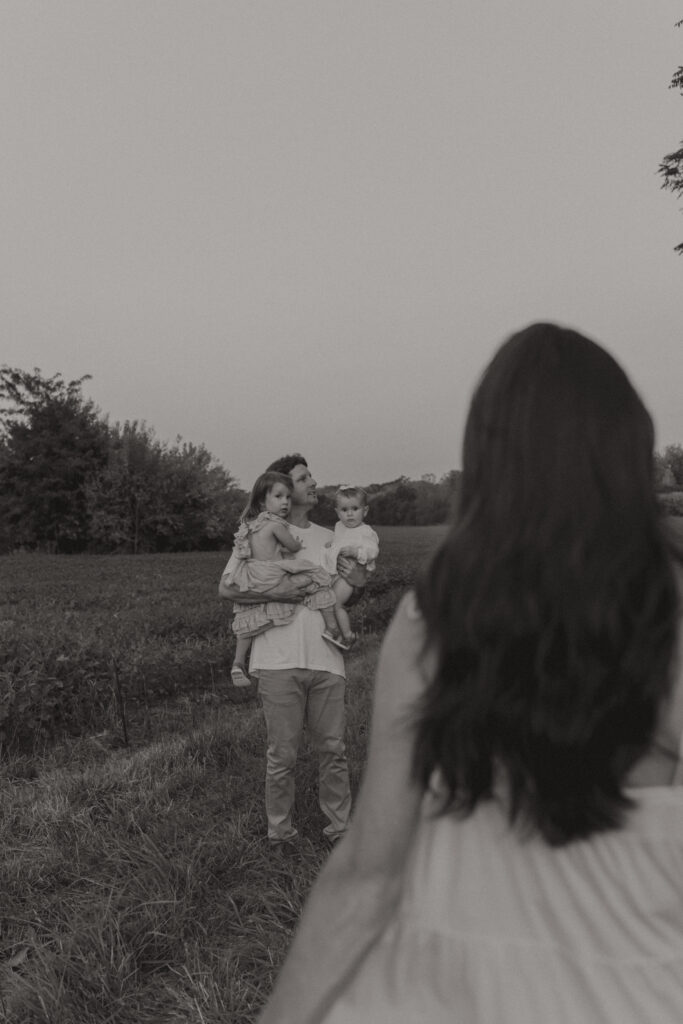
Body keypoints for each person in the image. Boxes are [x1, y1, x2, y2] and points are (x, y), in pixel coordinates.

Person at [257, 323, 683, 1024]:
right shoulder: (666, 611)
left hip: (452, 995)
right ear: (626, 447)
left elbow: (369, 871)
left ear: (487, 457)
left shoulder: (437, 613)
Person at [219, 455, 367, 846]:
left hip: (326, 659)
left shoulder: (330, 537)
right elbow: (228, 588)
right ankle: (280, 833)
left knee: (333, 750)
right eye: (303, 478)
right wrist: (279, 590)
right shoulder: (255, 532)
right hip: (277, 660)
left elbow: (336, 595)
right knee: (281, 755)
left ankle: (340, 829)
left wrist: (359, 579)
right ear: (279, 491)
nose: (313, 482)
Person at [226, 471, 348, 686]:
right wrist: (295, 545)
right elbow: (291, 547)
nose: (285, 502)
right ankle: (331, 628)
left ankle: (238, 662)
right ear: (263, 502)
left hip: (251, 574)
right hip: (274, 573)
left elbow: (246, 552)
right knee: (315, 579)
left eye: (287, 497)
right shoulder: (276, 525)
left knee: (248, 618)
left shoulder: (250, 527)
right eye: (279, 496)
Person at [321, 485, 380, 648]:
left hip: (351, 575)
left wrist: (357, 552)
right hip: (338, 574)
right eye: (344, 509)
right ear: (337, 512)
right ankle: (339, 633)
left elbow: (373, 551)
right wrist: (332, 544)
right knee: (329, 600)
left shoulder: (366, 531)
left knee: (336, 603)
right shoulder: (339, 527)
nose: (349, 513)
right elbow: (340, 542)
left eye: (355, 508)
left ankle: (347, 634)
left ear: (365, 511)